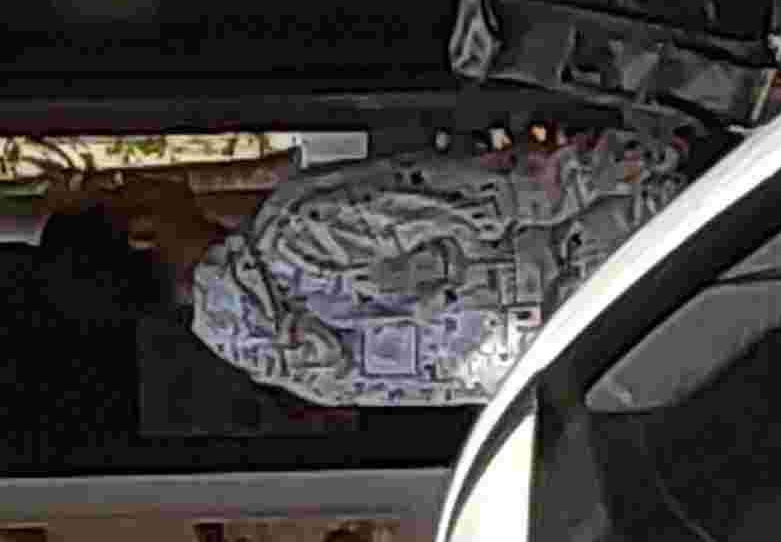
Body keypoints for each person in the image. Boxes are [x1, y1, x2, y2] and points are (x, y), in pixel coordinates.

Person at [0, 126, 692, 409]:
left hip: (624, 349)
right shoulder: (297, 233)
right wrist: (665, 153)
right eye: (125, 188)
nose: (140, 173)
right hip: (650, 235)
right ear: (142, 233)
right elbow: (508, 192)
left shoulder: (259, 355)